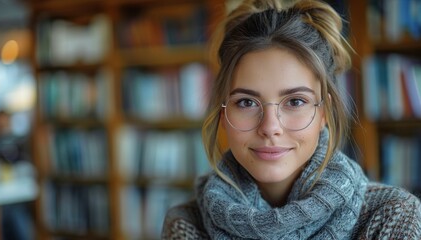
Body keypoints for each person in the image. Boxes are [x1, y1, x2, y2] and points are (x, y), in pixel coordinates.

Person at [162, 0, 421, 239]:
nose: (270, 128)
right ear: (223, 113)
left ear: (323, 114)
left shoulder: (391, 216)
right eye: (246, 102)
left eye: (295, 101)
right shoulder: (187, 225)